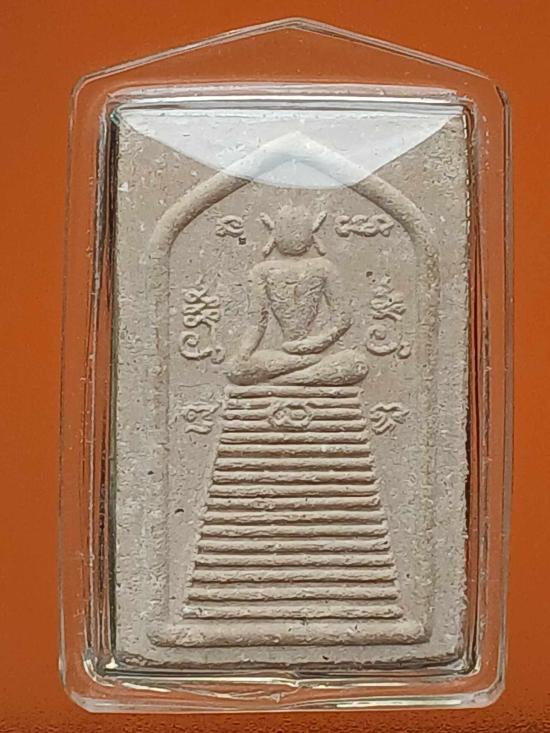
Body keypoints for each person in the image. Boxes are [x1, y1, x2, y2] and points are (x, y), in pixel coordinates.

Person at [227, 205, 369, 386]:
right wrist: (245, 353)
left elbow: (342, 319)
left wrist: (318, 343)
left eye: (300, 230)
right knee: (236, 368)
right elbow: (257, 322)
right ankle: (303, 371)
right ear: (275, 234)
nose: (294, 236)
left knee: (357, 363)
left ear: (311, 233)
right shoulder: (261, 271)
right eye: (286, 230)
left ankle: (286, 379)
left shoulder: (324, 268)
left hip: (315, 351)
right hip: (285, 357)